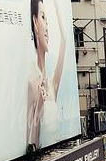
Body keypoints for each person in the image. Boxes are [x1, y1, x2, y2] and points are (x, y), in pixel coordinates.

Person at [27, 0, 67, 149]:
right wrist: (39, 105)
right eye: (43, 18)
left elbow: (64, 40)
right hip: (45, 159)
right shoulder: (32, 83)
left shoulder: (52, 84)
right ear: (35, 23)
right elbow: (33, 142)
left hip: (57, 154)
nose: (48, 28)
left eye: (48, 21)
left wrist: (57, 5)